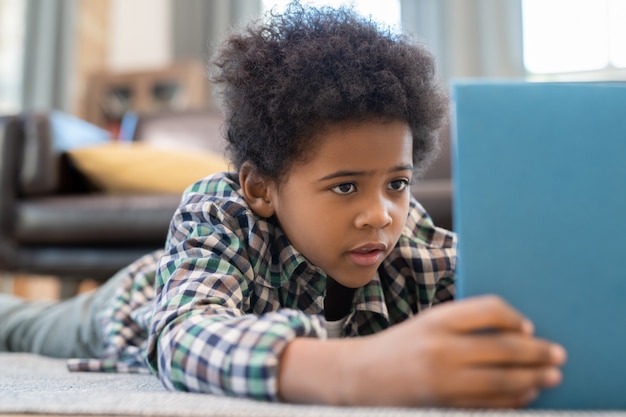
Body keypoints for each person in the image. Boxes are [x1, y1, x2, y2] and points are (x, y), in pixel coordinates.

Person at [0, 1, 566, 408]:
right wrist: (353, 371)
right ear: (260, 189)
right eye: (345, 187)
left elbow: (517, 289)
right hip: (134, 303)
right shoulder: (220, 211)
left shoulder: (407, 236)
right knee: (23, 327)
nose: (380, 214)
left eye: (396, 183)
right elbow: (183, 336)